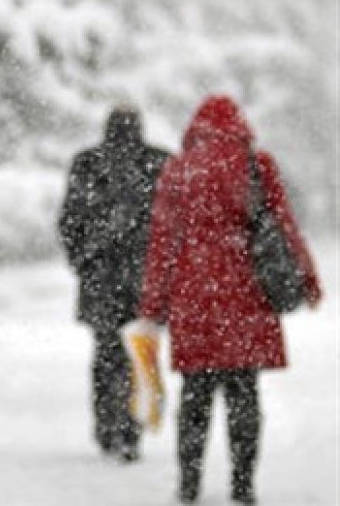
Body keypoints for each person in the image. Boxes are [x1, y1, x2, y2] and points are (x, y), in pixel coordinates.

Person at [138, 95, 323, 505]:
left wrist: (153, 304)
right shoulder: (258, 166)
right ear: (240, 126)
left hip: (194, 294)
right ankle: (243, 484)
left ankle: (188, 484)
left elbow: (163, 242)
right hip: (246, 292)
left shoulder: (178, 169)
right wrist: (307, 278)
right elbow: (284, 225)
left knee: (195, 394)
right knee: (244, 392)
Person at [58, 105, 170, 463]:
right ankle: (131, 429)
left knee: (106, 354)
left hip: (101, 278)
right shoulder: (160, 163)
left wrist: (84, 261)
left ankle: (107, 425)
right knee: (140, 354)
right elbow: (177, 226)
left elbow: (69, 221)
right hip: (146, 280)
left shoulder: (88, 164)